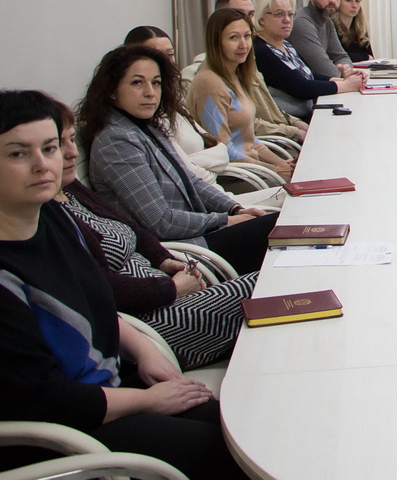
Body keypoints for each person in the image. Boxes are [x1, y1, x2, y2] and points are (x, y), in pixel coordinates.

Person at [0, 90, 243, 480]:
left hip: (107, 394)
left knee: (243, 423)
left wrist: (144, 350)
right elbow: (44, 400)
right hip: (60, 437)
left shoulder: (54, 219)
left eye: (49, 148)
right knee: (227, 454)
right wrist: (147, 401)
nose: (42, 165)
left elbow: (96, 306)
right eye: (17, 154)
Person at [53, 101, 256, 370]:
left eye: (71, 140)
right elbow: (102, 289)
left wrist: (163, 260)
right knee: (267, 286)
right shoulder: (49, 215)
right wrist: (172, 289)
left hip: (166, 289)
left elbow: (131, 228)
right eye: (56, 145)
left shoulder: (70, 189)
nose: (72, 152)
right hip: (149, 327)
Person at [83, 43, 277, 275]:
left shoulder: (147, 127)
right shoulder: (116, 141)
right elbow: (162, 222)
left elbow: (191, 181)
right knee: (282, 229)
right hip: (184, 251)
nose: (150, 92)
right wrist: (225, 220)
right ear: (112, 89)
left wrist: (234, 209)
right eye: (137, 83)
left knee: (283, 227)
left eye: (156, 82)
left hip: (200, 232)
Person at [187, 9, 294, 181]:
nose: (243, 45)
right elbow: (222, 149)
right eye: (233, 38)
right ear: (216, 42)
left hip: (254, 169)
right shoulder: (210, 84)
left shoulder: (235, 75)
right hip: (236, 177)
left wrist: (283, 165)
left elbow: (250, 141)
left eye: (247, 36)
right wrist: (273, 169)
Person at [124, 25, 231, 183]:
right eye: (156, 55)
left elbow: (222, 150)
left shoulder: (173, 104)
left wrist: (199, 164)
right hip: (204, 189)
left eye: (170, 54)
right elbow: (185, 173)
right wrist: (210, 168)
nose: (166, 61)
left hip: (215, 183)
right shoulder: (147, 111)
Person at [254, 0, 363, 119]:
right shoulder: (261, 50)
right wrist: (346, 85)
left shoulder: (285, 44)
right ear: (262, 20)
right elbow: (301, 88)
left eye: (290, 14)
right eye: (279, 14)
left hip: (307, 112)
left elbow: (306, 74)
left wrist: (341, 80)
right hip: (289, 121)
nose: (287, 20)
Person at [290, 0, 355, 77]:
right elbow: (326, 71)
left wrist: (345, 67)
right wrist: (342, 72)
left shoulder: (327, 20)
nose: (332, 0)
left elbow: (342, 57)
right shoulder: (301, 22)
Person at [335, 0, 374, 64]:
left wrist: (366, 57)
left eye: (357, 1)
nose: (354, 5)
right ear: (338, 2)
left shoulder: (360, 28)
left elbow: (371, 57)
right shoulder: (331, 27)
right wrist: (364, 57)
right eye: (348, 0)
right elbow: (336, 56)